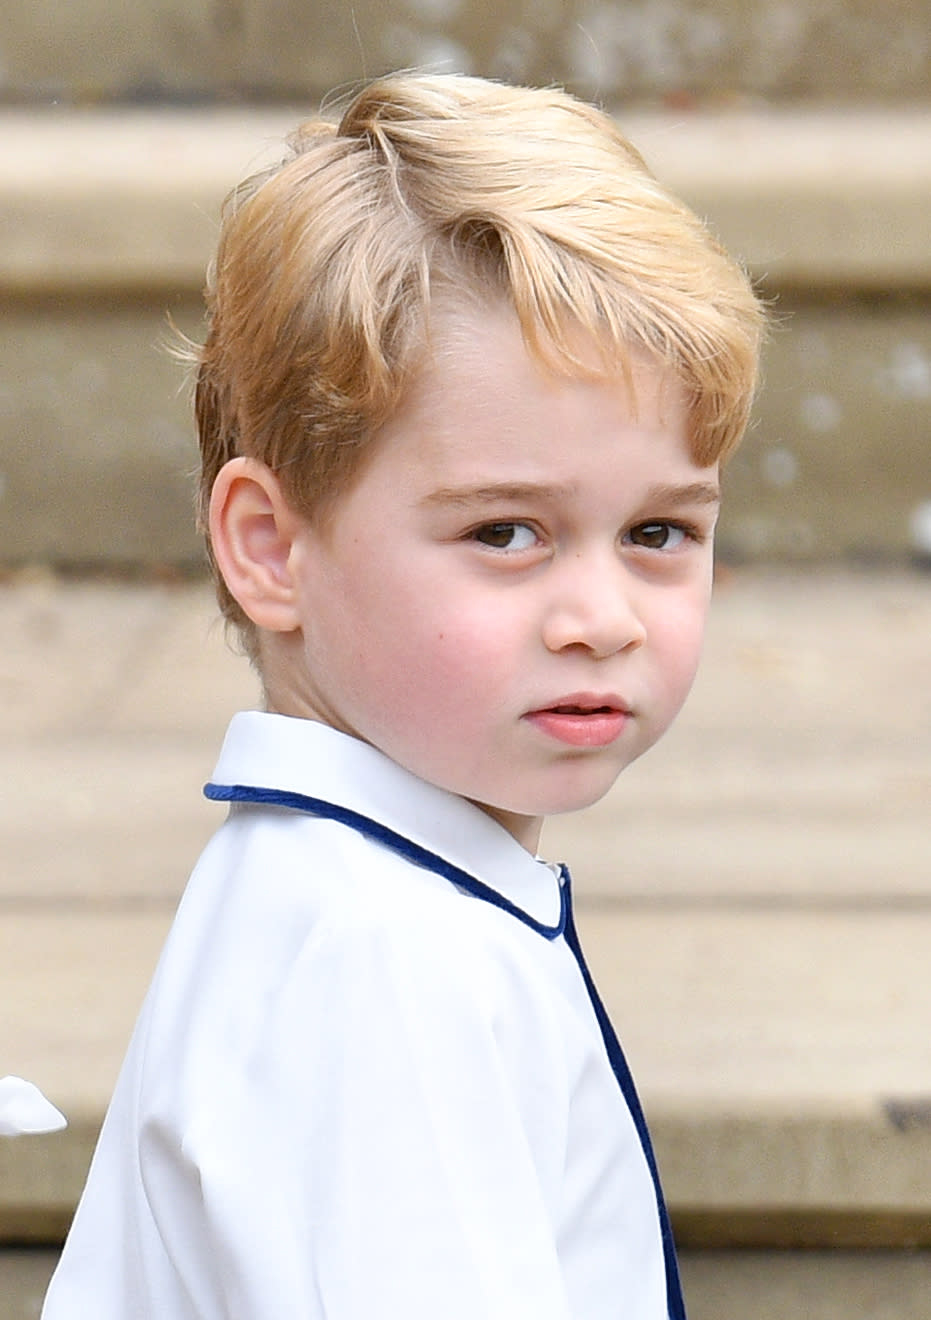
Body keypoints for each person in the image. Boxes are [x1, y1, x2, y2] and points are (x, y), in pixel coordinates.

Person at [43, 73, 762, 1319]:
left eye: (656, 530)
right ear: (271, 547)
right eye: (504, 533)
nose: (600, 618)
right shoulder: (378, 962)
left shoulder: (368, 896)